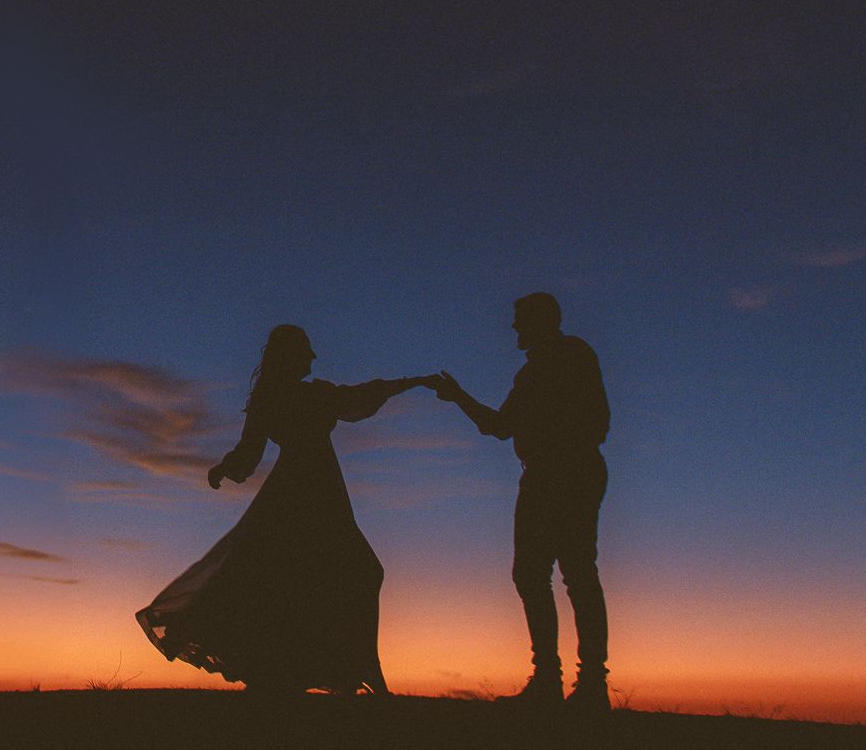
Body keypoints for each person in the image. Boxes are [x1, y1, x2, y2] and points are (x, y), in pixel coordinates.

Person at [136, 325, 431, 693]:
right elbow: (250, 451)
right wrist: (225, 468)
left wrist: (412, 382)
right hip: (301, 491)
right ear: (291, 356)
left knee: (326, 576)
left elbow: (358, 397)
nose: (313, 358)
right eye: (306, 351)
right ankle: (354, 669)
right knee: (334, 574)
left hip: (316, 490)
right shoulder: (281, 399)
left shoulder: (308, 395)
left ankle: (348, 668)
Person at [430, 292, 612, 712]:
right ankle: (554, 679)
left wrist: (562, 452)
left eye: (519, 321)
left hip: (567, 474)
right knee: (536, 575)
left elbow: (593, 419)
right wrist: (458, 396)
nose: (513, 328)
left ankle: (588, 683)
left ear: (540, 321)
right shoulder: (530, 372)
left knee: (575, 574)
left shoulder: (570, 356)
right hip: (547, 475)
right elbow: (499, 427)